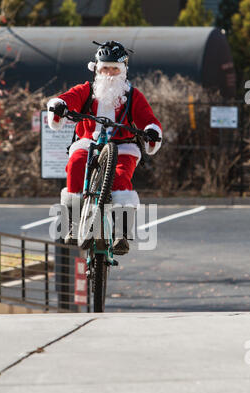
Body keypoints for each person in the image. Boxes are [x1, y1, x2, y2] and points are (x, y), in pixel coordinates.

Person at [47, 40, 162, 255]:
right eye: (105, 68)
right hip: (88, 142)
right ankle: (73, 223)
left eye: (114, 69)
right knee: (76, 164)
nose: (109, 73)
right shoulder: (88, 90)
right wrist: (60, 106)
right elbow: (69, 98)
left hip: (124, 146)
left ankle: (122, 233)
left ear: (123, 70)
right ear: (97, 69)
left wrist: (152, 130)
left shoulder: (132, 95)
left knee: (120, 175)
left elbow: (148, 118)